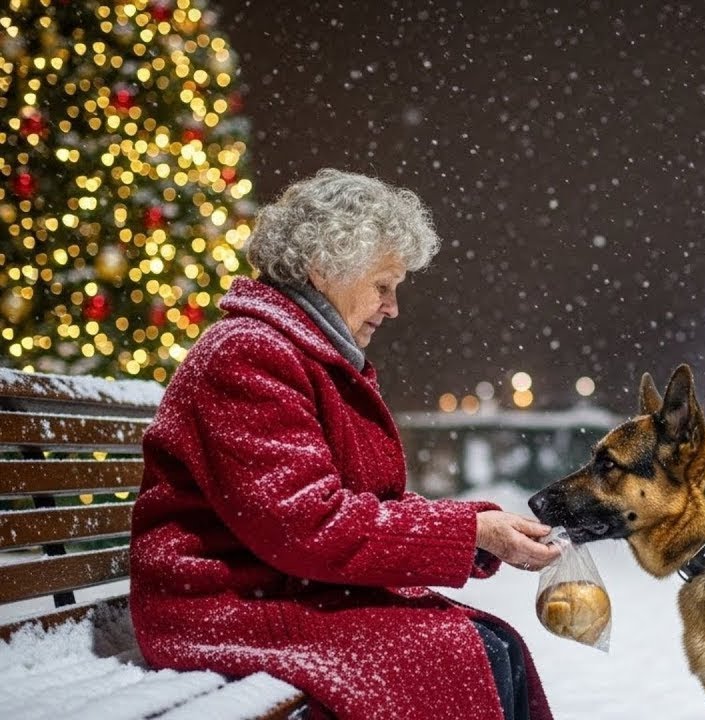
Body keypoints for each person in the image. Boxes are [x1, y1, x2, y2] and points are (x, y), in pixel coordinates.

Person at [130, 168, 561, 720]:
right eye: (383, 285)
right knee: (466, 653)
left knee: (492, 647)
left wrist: (478, 528)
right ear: (324, 267)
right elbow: (305, 524)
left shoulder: (306, 356)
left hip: (283, 587)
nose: (393, 306)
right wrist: (469, 533)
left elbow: (360, 505)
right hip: (217, 605)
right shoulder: (248, 354)